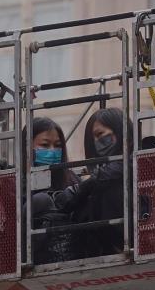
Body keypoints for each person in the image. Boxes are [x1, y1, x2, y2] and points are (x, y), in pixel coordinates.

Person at [54, 108, 131, 258]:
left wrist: (81, 189)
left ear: (120, 131)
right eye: (93, 138)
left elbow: (114, 172)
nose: (97, 142)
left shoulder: (132, 161)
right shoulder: (99, 173)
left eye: (100, 134)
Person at [26, 117, 80, 264]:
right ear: (27, 147)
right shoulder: (17, 182)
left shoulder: (71, 178)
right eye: (45, 145)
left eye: (57, 145)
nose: (52, 151)